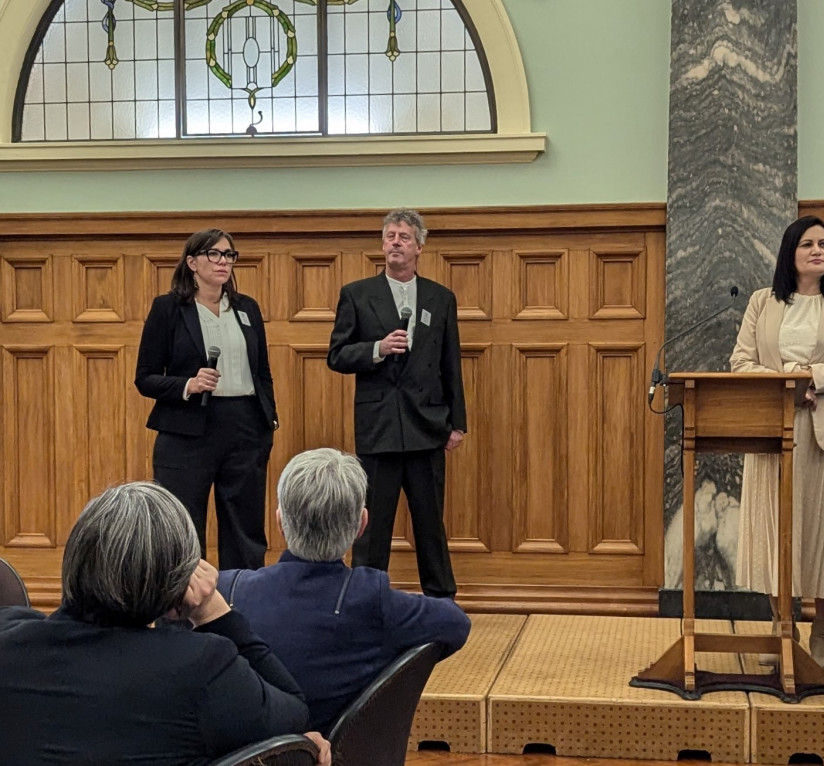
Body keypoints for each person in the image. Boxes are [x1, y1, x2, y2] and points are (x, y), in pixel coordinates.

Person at [0, 482, 330, 766]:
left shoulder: (9, 640)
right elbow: (295, 715)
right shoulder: (200, 668)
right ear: (177, 583)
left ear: (74, 555)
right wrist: (213, 612)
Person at [218, 447, 471, 734]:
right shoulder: (371, 600)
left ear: (279, 522)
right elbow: (455, 622)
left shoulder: (229, 591)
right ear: (361, 524)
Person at [729, 215, 824, 671]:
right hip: (774, 428)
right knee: (776, 532)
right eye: (809, 244)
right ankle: (782, 631)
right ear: (790, 252)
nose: (819, 251)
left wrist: (815, 377)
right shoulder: (762, 302)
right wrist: (787, 384)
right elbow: (740, 363)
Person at [328, 208, 466, 598]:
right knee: (373, 524)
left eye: (404, 237)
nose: (395, 243)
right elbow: (336, 355)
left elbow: (450, 362)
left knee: (430, 523)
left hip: (427, 426)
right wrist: (377, 348)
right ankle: (366, 599)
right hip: (379, 428)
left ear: (419, 246)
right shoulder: (356, 294)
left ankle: (442, 599)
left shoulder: (440, 298)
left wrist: (457, 422)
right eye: (389, 236)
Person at [135, 228, 278, 570]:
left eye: (229, 255)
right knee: (184, 527)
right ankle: (184, 610)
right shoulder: (168, 309)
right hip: (187, 430)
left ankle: (240, 600)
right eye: (214, 254)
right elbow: (145, 378)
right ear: (192, 262)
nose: (223, 262)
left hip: (245, 427)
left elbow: (262, 372)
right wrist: (189, 384)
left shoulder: (247, 308)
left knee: (245, 527)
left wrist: (268, 419)